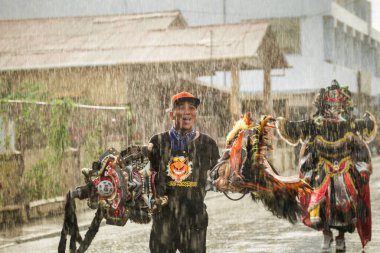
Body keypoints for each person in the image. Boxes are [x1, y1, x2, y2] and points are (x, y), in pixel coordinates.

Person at [276, 80, 376, 251]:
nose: (333, 110)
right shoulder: (315, 124)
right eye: (330, 105)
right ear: (323, 105)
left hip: (345, 170)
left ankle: (341, 237)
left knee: (346, 207)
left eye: (336, 106)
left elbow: (360, 148)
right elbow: (298, 134)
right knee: (321, 205)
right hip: (323, 171)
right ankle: (327, 233)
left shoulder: (350, 124)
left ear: (343, 106)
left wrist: (362, 170)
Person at [147, 91, 220, 253]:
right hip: (163, 220)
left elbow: (219, 176)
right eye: (181, 107)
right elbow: (147, 177)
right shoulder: (157, 142)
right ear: (171, 115)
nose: (187, 111)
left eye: (192, 108)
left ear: (195, 114)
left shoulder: (208, 144)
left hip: (195, 220)